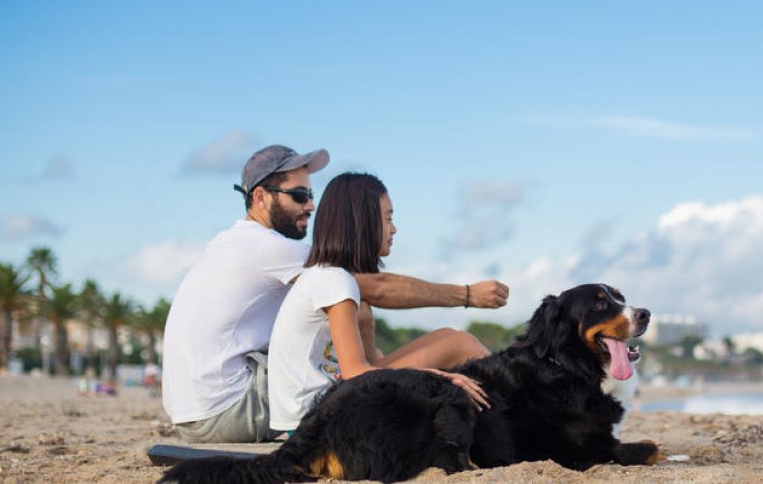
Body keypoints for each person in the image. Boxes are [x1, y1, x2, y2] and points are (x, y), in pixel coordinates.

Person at [162, 145, 509, 443]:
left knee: (391, 329)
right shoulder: (269, 249)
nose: (310, 206)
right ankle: (513, 413)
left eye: (311, 195)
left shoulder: (232, 244)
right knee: (446, 345)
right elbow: (377, 286)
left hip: (200, 410)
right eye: (299, 195)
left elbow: (360, 300)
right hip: (229, 409)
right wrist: (467, 295)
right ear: (260, 197)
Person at [268, 173, 491, 433]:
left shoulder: (327, 275)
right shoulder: (335, 282)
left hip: (316, 413)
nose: (394, 229)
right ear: (362, 223)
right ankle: (515, 412)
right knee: (459, 344)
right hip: (316, 424)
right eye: (388, 218)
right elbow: (354, 373)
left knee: (448, 336)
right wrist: (440, 377)